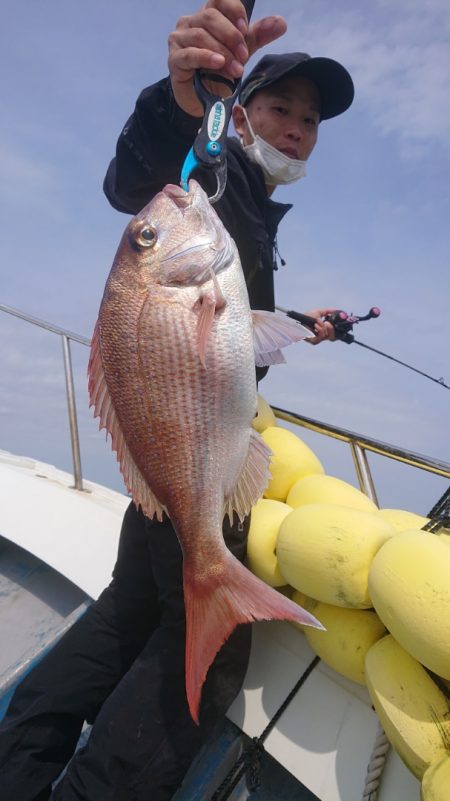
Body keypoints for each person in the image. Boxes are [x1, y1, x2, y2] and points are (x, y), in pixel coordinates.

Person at [0, 2, 354, 800]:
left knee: (129, 607)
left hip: (175, 452)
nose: (297, 127)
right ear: (240, 109)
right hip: (194, 451)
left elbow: (234, 326)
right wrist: (182, 102)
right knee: (206, 645)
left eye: (310, 119)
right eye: (279, 107)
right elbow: (138, 184)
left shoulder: (246, 211)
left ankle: (20, 757)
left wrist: (304, 325)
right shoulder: (204, 178)